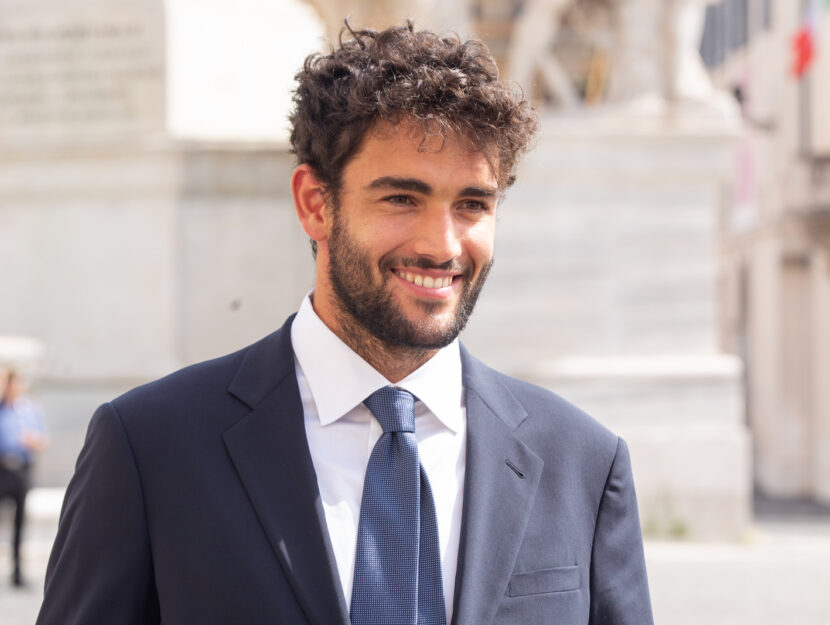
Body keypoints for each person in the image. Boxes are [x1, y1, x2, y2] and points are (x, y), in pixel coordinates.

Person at [37, 22, 653, 625]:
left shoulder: (584, 465)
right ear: (314, 203)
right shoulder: (150, 447)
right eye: (401, 199)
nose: (443, 246)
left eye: (473, 204)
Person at [0, 370, 47, 588]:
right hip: (2, 468)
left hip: (22, 469)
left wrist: (31, 441)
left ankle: (17, 573)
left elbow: (43, 441)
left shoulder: (30, 410)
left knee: (20, 523)